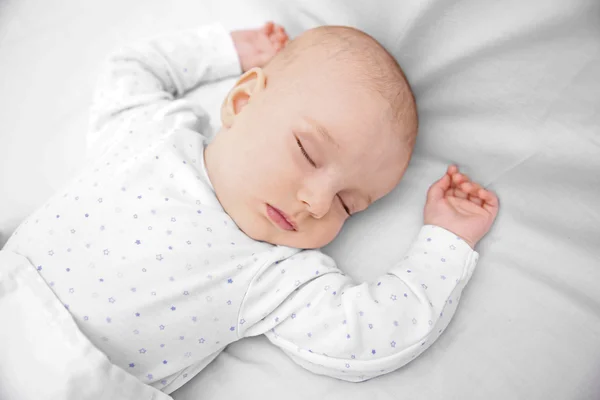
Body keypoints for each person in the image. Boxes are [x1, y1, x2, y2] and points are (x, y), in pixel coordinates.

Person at [1, 21, 498, 394]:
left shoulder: (273, 274)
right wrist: (228, 49)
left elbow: (372, 331)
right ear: (241, 103)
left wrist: (446, 241)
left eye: (350, 205)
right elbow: (132, 69)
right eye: (308, 152)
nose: (317, 201)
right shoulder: (154, 134)